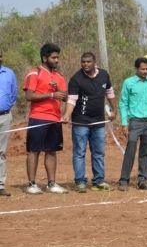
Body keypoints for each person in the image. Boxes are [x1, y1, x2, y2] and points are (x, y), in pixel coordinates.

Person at [62, 52, 117, 193]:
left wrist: (114, 110)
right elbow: (71, 100)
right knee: (79, 152)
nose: (85, 64)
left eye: (88, 62)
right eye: (83, 62)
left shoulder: (104, 75)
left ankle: (98, 181)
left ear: (94, 62)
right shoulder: (76, 79)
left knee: (98, 152)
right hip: (81, 122)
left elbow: (110, 93)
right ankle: (80, 181)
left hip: (98, 122)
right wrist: (67, 115)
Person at [23, 43, 68, 194]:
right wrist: (50, 95)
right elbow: (29, 96)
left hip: (55, 118)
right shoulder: (34, 73)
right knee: (34, 150)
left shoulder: (59, 76)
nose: (57, 60)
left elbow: (65, 97)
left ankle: (51, 183)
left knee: (51, 151)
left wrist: (58, 91)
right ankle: (32, 184)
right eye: (54, 57)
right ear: (44, 58)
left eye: (57, 57)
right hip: (38, 117)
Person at [118, 57, 147, 191]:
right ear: (136, 68)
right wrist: (124, 123)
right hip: (135, 122)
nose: (145, 71)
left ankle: (143, 180)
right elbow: (123, 103)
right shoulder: (128, 83)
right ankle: (124, 180)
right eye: (142, 69)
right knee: (130, 150)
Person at [0, 49, 17, 197]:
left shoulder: (9, 73)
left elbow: (13, 95)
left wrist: (5, 109)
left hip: (5, 117)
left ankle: (0, 185)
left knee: (1, 152)